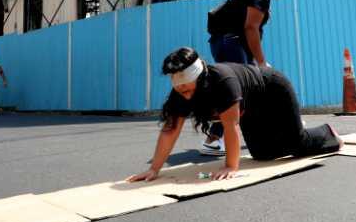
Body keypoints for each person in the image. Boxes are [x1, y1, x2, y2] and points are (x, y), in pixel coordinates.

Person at [126, 47, 341, 183]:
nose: (186, 95)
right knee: (262, 154)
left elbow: (231, 127)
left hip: (274, 91)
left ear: (200, 78)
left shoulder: (222, 81)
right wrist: (154, 169)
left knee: (297, 142)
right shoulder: (181, 92)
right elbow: (170, 130)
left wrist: (231, 166)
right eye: (180, 90)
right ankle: (283, 135)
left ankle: (328, 133)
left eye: (189, 90)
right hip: (249, 107)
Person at [200, 0, 297, 156]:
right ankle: (214, 139)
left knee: (243, 90)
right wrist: (261, 61)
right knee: (239, 91)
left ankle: (218, 137)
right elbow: (250, 28)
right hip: (232, 43)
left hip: (228, 43)